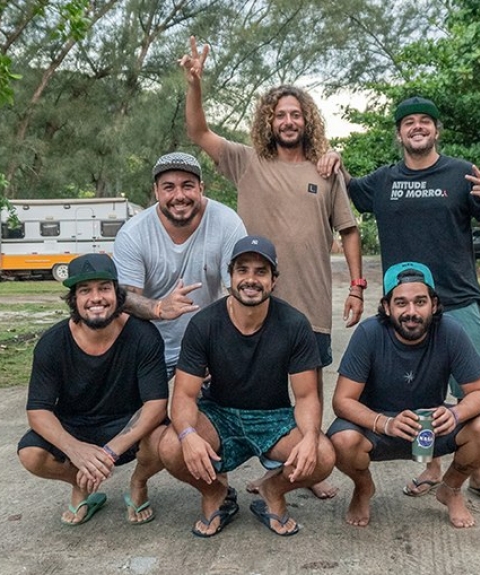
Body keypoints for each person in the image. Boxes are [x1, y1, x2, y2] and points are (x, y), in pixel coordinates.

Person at [180, 36, 364, 499]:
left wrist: (358, 286)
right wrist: (195, 83)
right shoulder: (246, 161)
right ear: (269, 120)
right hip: (252, 302)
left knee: (310, 390)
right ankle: (227, 459)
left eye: (295, 114)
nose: (288, 121)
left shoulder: (327, 171)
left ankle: (302, 465)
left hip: (311, 300)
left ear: (307, 121)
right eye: (280, 114)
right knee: (241, 386)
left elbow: (349, 230)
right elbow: (198, 132)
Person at [323, 96, 480, 505]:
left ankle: (474, 470)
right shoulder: (384, 181)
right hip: (404, 304)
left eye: (426, 121)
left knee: (468, 391)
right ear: (399, 133)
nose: (418, 127)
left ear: (436, 130)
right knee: (418, 389)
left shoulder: (461, 173)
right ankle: (430, 465)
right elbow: (347, 190)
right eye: (409, 122)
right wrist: (336, 157)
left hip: (457, 299)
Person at [158, 235, 336, 537]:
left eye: (260, 271)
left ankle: (273, 491)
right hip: (218, 415)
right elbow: (184, 395)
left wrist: (308, 436)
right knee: (171, 446)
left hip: (273, 416)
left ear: (274, 280)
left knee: (323, 455)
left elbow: (306, 396)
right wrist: (188, 434)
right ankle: (214, 492)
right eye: (242, 270)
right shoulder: (204, 324)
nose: (250, 279)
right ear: (230, 277)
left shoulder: (294, 324)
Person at [328, 262, 480, 529]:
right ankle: (363, 488)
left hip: (430, 427)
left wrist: (455, 414)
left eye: (420, 301)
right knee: (341, 440)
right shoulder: (369, 333)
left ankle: (451, 488)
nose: (411, 312)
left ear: (433, 304)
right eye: (401, 303)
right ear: (387, 307)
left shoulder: (450, 330)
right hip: (380, 427)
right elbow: (342, 400)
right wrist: (385, 423)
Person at [16, 253, 169, 526]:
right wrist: (75, 450)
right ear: (74, 299)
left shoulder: (143, 336)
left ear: (117, 294)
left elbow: (156, 405)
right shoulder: (53, 343)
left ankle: (139, 482)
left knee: (166, 441)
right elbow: (38, 411)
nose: (96, 297)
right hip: (76, 425)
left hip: (126, 426)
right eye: (85, 290)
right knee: (31, 454)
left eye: (104, 288)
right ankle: (80, 483)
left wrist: (111, 451)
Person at [113, 151, 247, 378]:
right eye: (168, 187)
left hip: (208, 346)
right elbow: (124, 296)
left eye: (187, 186)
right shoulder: (133, 233)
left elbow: (237, 290)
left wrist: (225, 346)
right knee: (145, 412)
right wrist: (159, 308)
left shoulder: (226, 222)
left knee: (212, 410)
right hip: (151, 347)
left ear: (201, 189)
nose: (179, 195)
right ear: (156, 191)